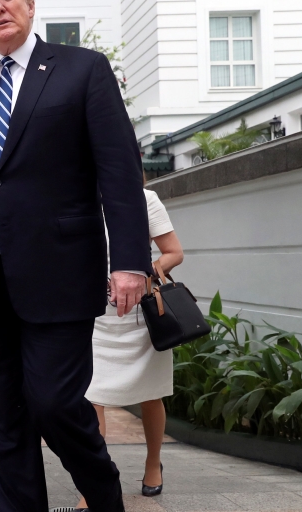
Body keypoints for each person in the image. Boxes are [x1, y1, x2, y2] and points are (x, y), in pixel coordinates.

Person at [0, 0, 151, 512]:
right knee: (1, 419)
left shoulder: (82, 70)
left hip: (61, 272)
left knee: (52, 403)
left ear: (29, 3)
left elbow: (118, 173)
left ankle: (102, 490)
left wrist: (131, 262)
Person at [74, 186, 184, 508]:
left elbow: (174, 252)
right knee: (92, 397)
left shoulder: (144, 199)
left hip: (141, 314)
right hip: (92, 315)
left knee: (151, 395)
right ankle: (92, 486)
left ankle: (153, 464)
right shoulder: (76, 195)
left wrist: (141, 275)